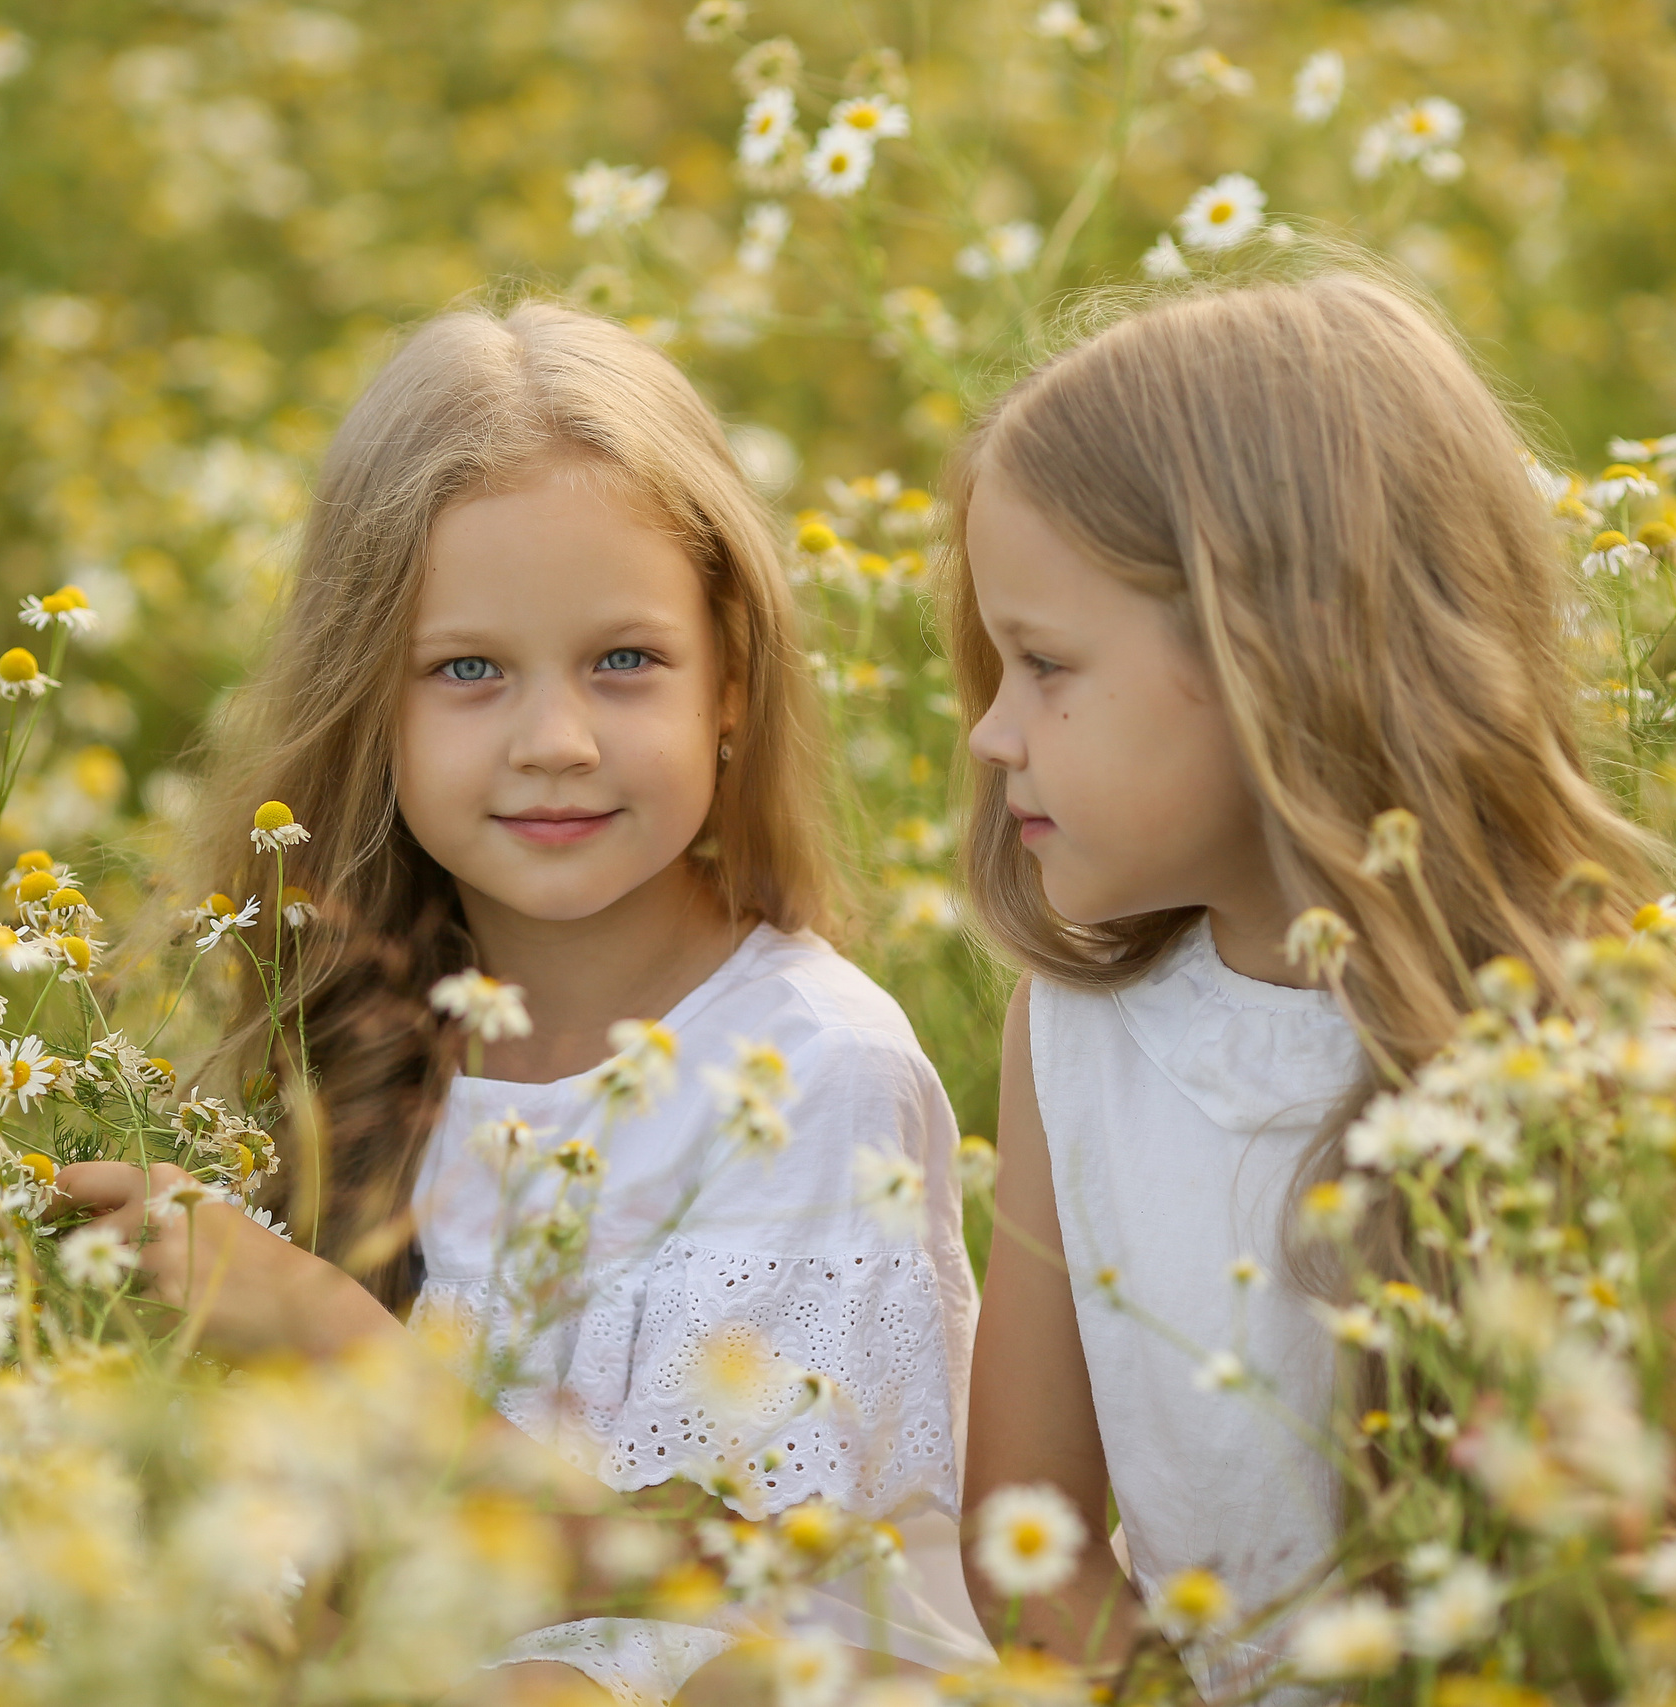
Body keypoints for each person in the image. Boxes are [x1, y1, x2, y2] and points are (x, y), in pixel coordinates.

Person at [56, 303, 989, 1705]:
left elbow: (707, 1592)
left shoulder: (809, 1067)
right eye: (468, 670)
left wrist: (321, 1330)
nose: (556, 742)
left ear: (731, 682)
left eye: (625, 661)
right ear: (368, 704)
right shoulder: (356, 1034)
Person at [946, 272, 1676, 1700]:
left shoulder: (1598, 1064)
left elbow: (1625, 1616)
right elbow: (1032, 1537)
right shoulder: (1074, 1035)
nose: (991, 733)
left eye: (1044, 664)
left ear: (1281, 657)